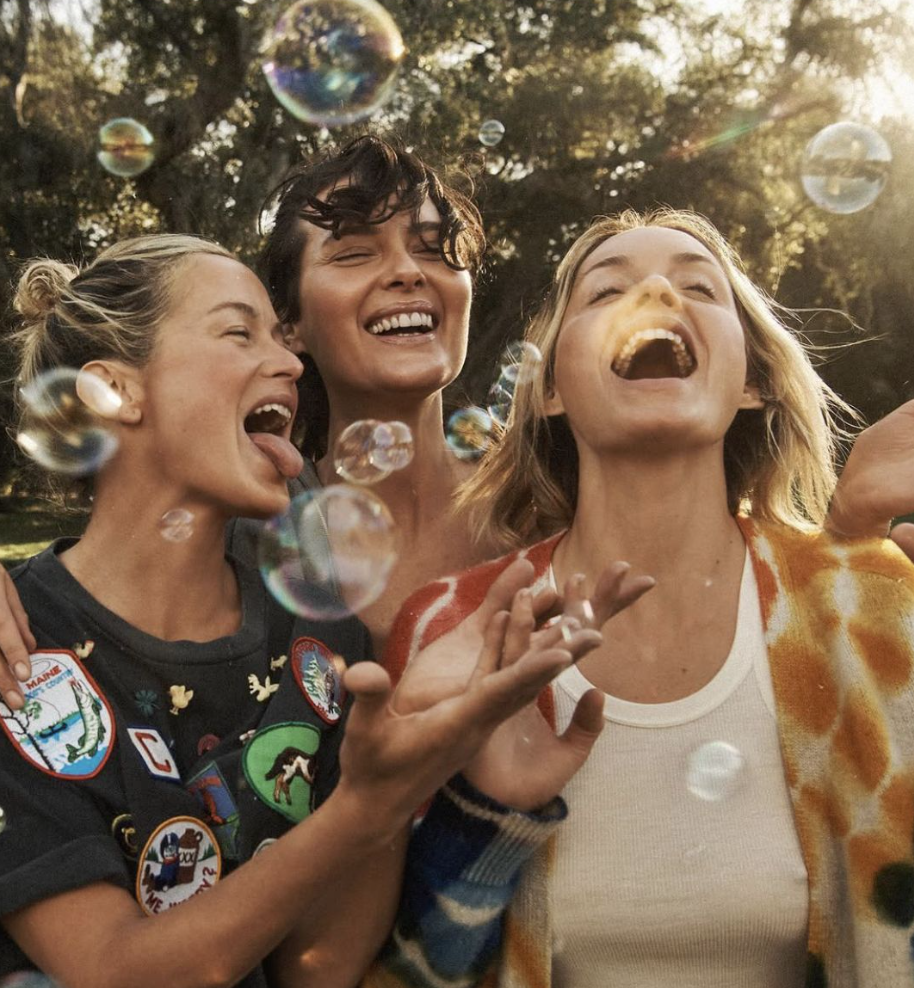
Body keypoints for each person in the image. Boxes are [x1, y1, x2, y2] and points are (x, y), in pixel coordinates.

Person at [0, 135, 910, 692]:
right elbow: (99, 582)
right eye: (355, 252)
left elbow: (743, 635)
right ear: (291, 329)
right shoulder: (246, 527)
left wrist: (852, 545)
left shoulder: (555, 507)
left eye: (436, 249)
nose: (408, 271)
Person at [0, 234, 630, 988]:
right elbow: (116, 970)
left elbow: (320, 972)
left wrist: (395, 763)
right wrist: (360, 812)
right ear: (112, 392)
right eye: (238, 331)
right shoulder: (18, 654)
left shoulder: (319, 633)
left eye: (279, 334)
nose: (292, 364)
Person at [370, 209, 914, 987]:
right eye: (605, 291)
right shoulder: (451, 626)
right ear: (551, 388)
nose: (657, 291)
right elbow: (398, 975)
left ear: (754, 381)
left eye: (699, 285)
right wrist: (485, 818)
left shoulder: (871, 609)